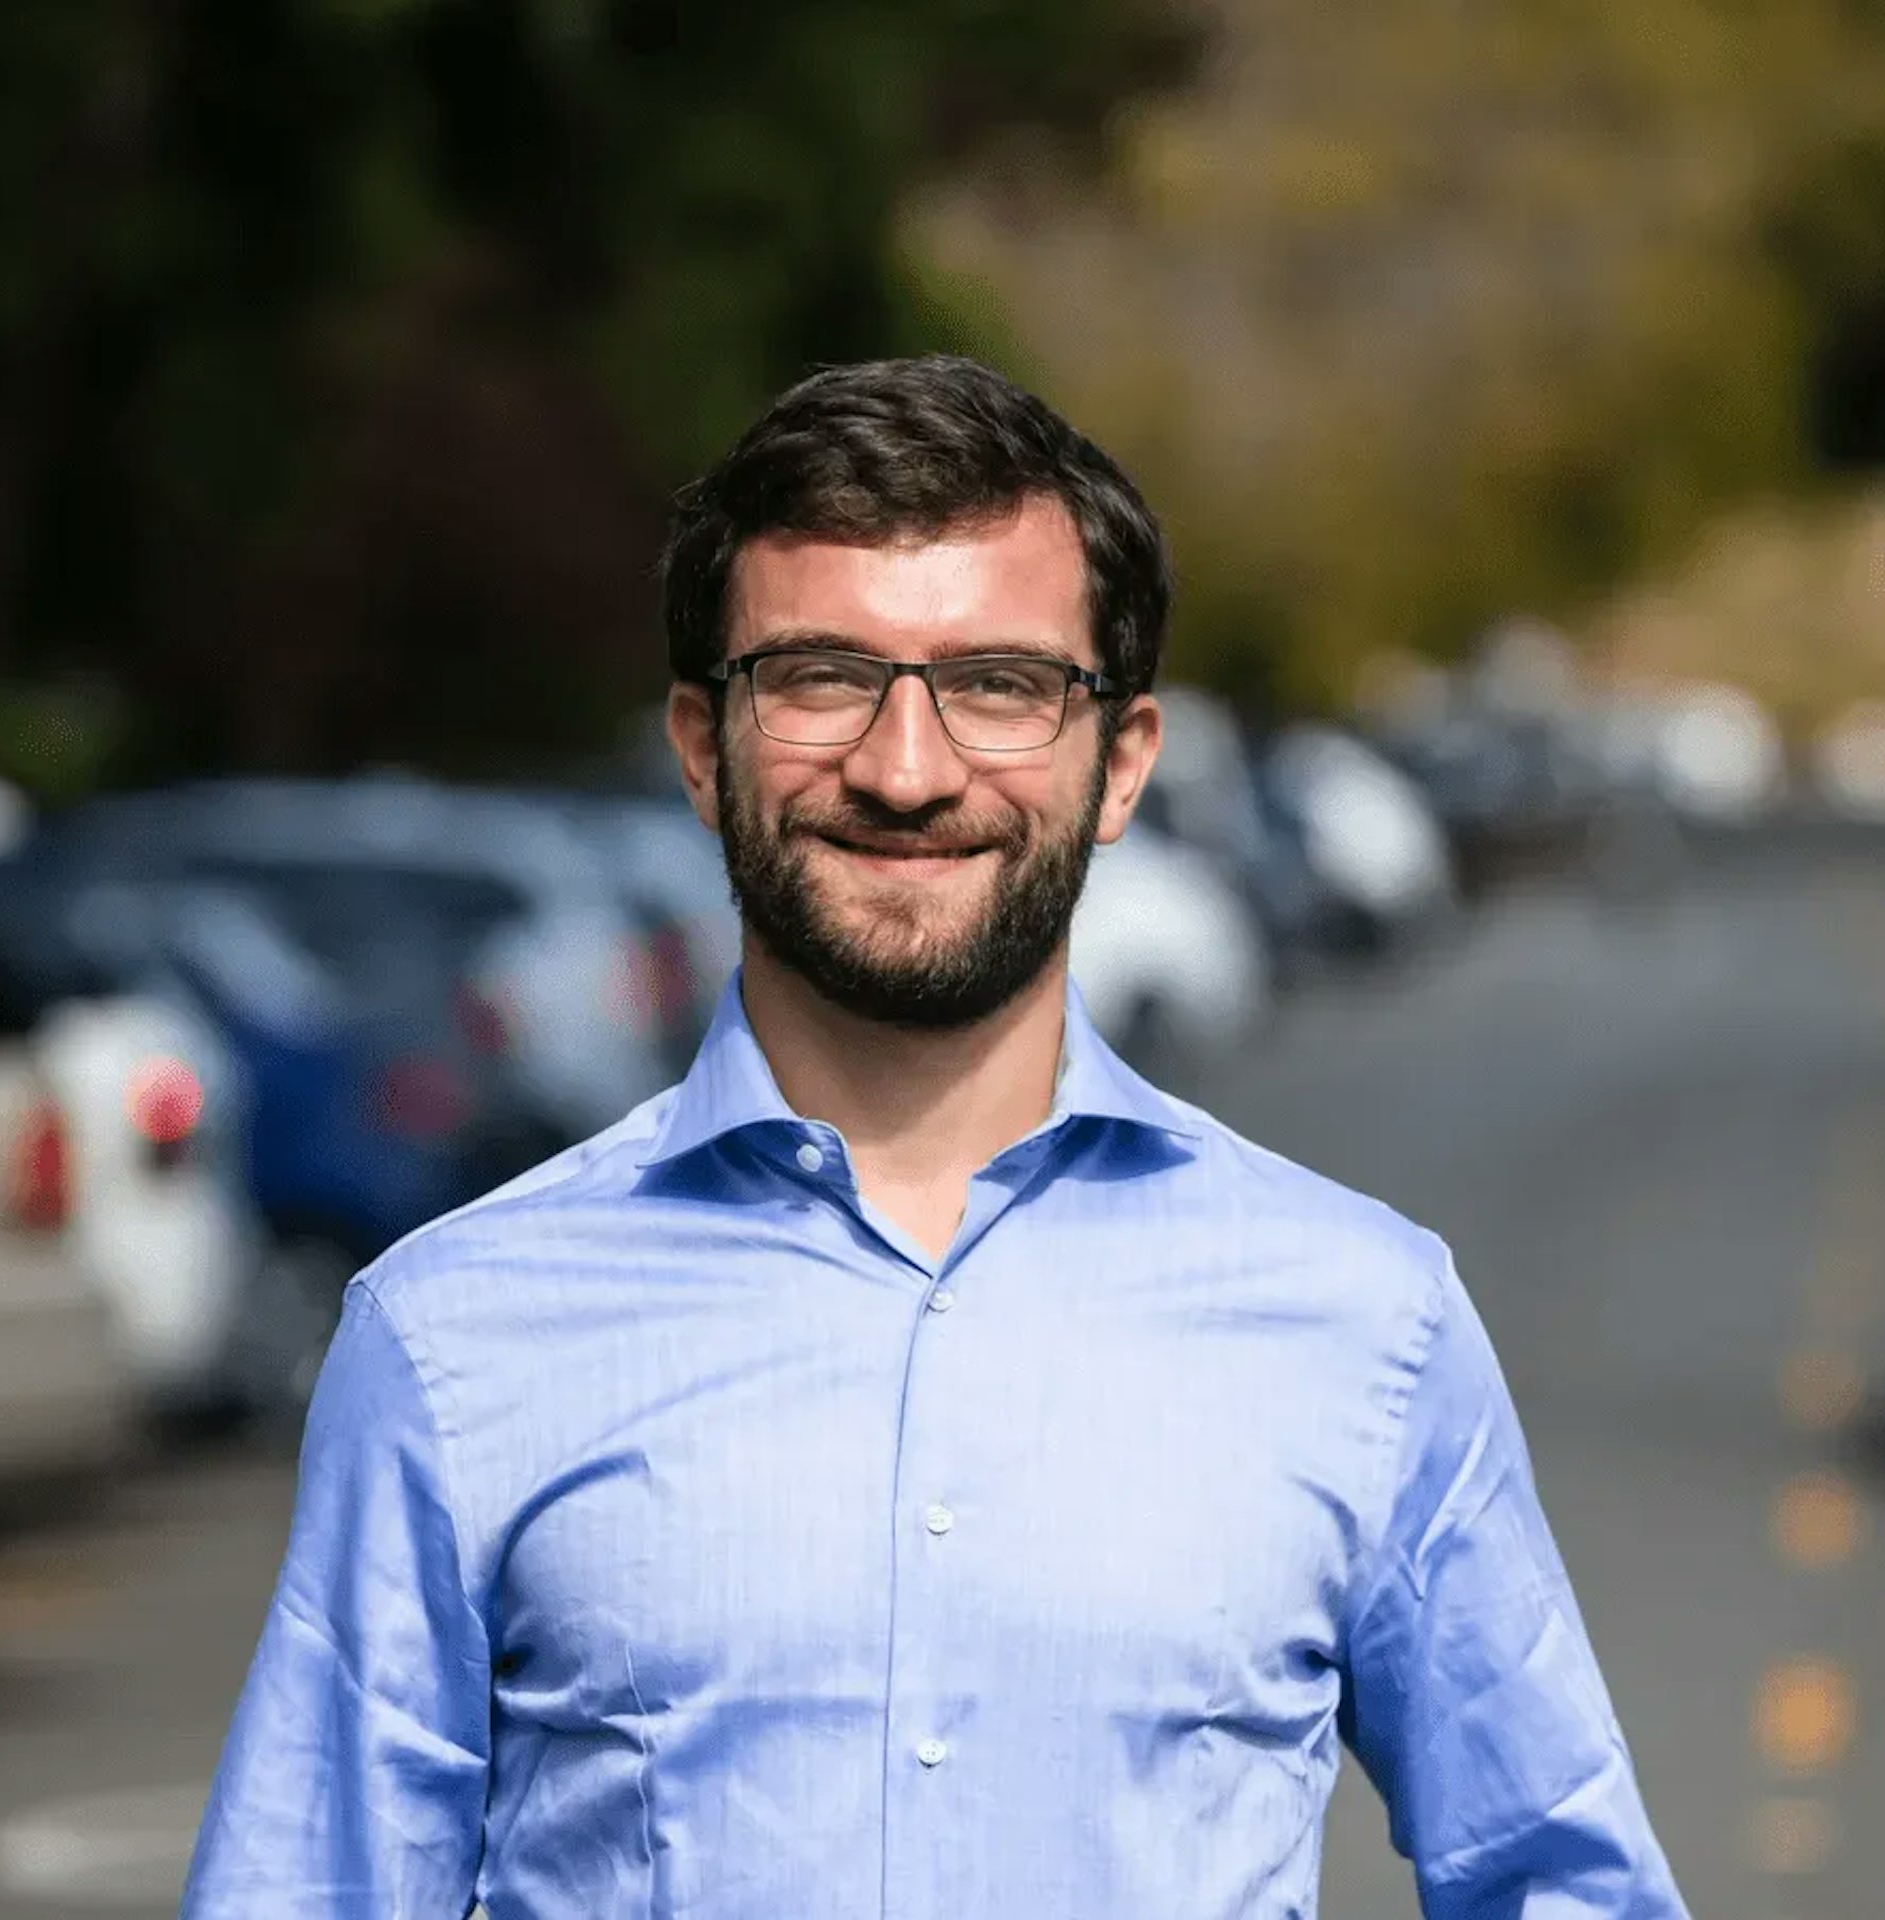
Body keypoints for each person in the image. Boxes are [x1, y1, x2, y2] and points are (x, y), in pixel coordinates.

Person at [182, 354, 1687, 1918]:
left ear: (1122, 763)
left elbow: (1561, 1885)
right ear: (703, 748)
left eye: (999, 685)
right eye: (825, 675)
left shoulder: (1370, 1326)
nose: (909, 770)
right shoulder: (448, 1341)